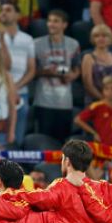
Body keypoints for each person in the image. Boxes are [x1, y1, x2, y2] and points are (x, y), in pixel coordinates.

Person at [33, 10, 81, 143]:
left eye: (55, 21)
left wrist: (72, 75)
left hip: (65, 102)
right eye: (49, 21)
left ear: (64, 25)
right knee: (43, 141)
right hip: (44, 101)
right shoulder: (36, 44)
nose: (51, 24)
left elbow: (77, 68)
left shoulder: (73, 44)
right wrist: (47, 72)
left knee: (62, 143)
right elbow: (32, 71)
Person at [0, 1, 35, 144]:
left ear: (17, 15)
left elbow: (31, 69)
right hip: (0, 89)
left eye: (8, 9)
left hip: (21, 89)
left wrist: (16, 87)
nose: (4, 13)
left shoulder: (27, 39)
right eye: (2, 10)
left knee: (16, 136)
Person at [74, 76, 112, 148]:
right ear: (103, 91)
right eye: (107, 89)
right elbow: (78, 120)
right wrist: (94, 133)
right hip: (101, 146)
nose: (110, 92)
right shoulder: (97, 107)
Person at [81, 24, 112, 105]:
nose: (100, 39)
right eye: (97, 36)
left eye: (104, 36)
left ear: (110, 38)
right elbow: (88, 84)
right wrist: (105, 101)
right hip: (95, 103)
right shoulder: (88, 58)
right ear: (93, 39)